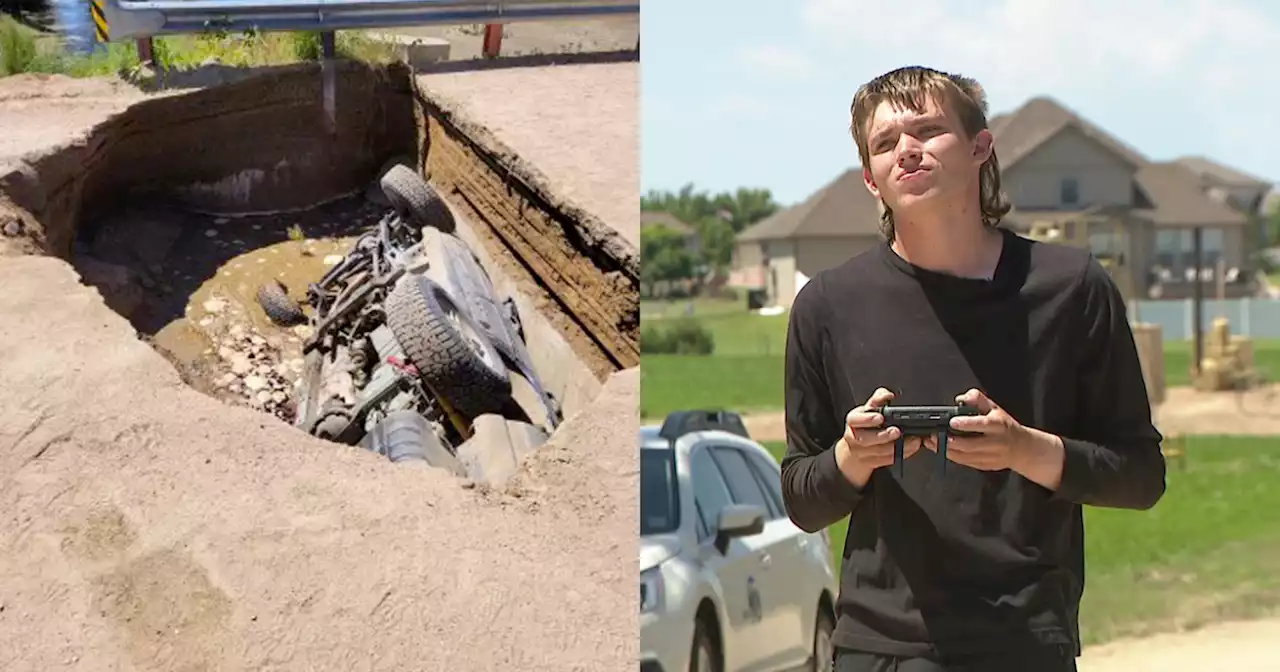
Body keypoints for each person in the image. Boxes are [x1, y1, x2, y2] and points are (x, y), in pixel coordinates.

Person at [779, 65, 1167, 672]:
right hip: (880, 646)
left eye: (928, 130)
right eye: (884, 143)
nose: (906, 150)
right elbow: (802, 499)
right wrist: (854, 456)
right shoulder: (827, 305)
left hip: (1026, 640)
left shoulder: (1072, 288)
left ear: (980, 148)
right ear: (871, 180)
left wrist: (1021, 448)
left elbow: (1141, 476)